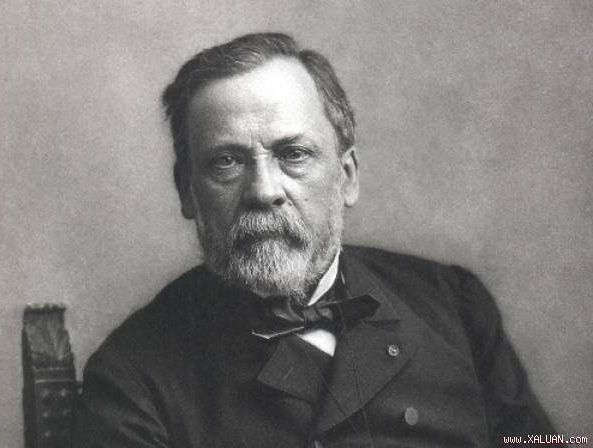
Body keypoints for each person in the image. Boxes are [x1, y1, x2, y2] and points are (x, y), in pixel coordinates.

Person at [74, 33, 560, 448]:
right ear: (187, 192)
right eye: (227, 162)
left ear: (346, 176)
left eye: (293, 154)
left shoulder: (454, 304)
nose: (264, 191)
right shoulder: (131, 378)